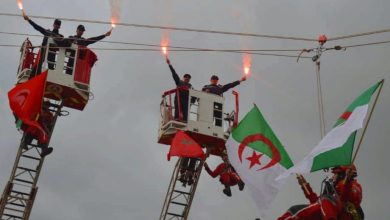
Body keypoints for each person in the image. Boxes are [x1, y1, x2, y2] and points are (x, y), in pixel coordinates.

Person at [277, 165, 363, 220]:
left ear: (342, 174)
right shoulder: (334, 191)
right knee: (294, 210)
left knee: (325, 199)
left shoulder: (354, 186)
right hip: (326, 215)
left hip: (344, 216)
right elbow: (317, 203)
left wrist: (347, 182)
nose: (333, 176)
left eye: (335, 174)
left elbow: (346, 197)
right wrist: (304, 185)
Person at [166, 57, 193, 122]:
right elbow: (174, 74)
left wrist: (193, 100)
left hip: (186, 100)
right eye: (186, 77)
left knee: (186, 111)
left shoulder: (190, 86)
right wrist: (170, 65)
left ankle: (185, 120)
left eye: (188, 78)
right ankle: (177, 118)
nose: (187, 78)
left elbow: (194, 94)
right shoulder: (179, 82)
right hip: (179, 99)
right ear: (183, 78)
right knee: (178, 109)